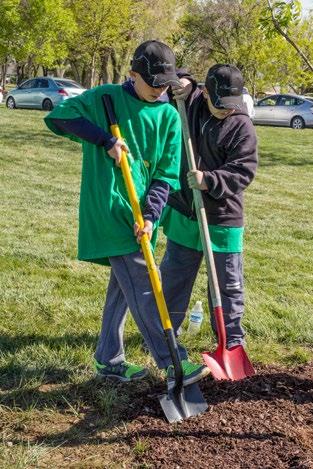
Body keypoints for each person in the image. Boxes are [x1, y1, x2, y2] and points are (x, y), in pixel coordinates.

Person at [44, 40, 209, 386]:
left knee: (123, 286)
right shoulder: (105, 99)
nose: (160, 90)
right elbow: (59, 116)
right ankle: (173, 362)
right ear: (132, 74)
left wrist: (150, 215)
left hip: (140, 214)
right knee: (147, 282)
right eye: (153, 83)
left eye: (165, 83)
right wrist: (105, 140)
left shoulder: (168, 116)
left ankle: (108, 359)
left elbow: (165, 174)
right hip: (108, 208)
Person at [160, 64, 258, 350]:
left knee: (227, 286)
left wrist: (209, 180)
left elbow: (244, 171)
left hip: (223, 218)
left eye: (231, 105)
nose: (226, 110)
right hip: (184, 211)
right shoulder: (189, 104)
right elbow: (173, 69)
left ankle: (231, 342)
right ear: (205, 93)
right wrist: (185, 80)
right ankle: (166, 335)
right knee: (174, 280)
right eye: (219, 104)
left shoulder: (242, 126)